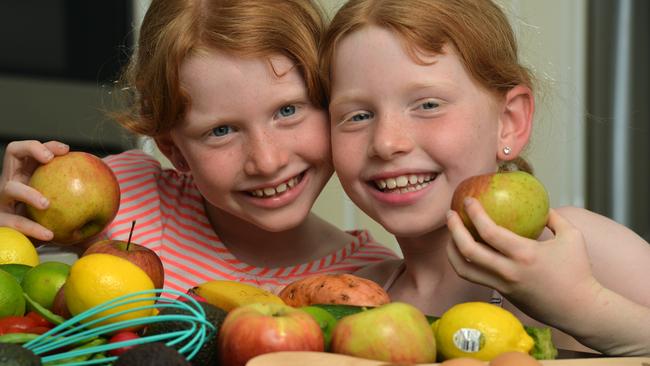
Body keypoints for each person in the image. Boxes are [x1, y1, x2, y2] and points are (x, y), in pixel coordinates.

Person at [320, 0, 650, 356]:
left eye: (428, 105)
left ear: (509, 122)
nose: (386, 143)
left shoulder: (576, 246)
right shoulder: (362, 293)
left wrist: (582, 306)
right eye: (357, 116)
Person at [0, 0, 397, 295]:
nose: (267, 160)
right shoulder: (126, 198)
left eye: (288, 110)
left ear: (330, 100)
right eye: (222, 130)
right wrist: (12, 237)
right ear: (174, 150)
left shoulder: (373, 278)